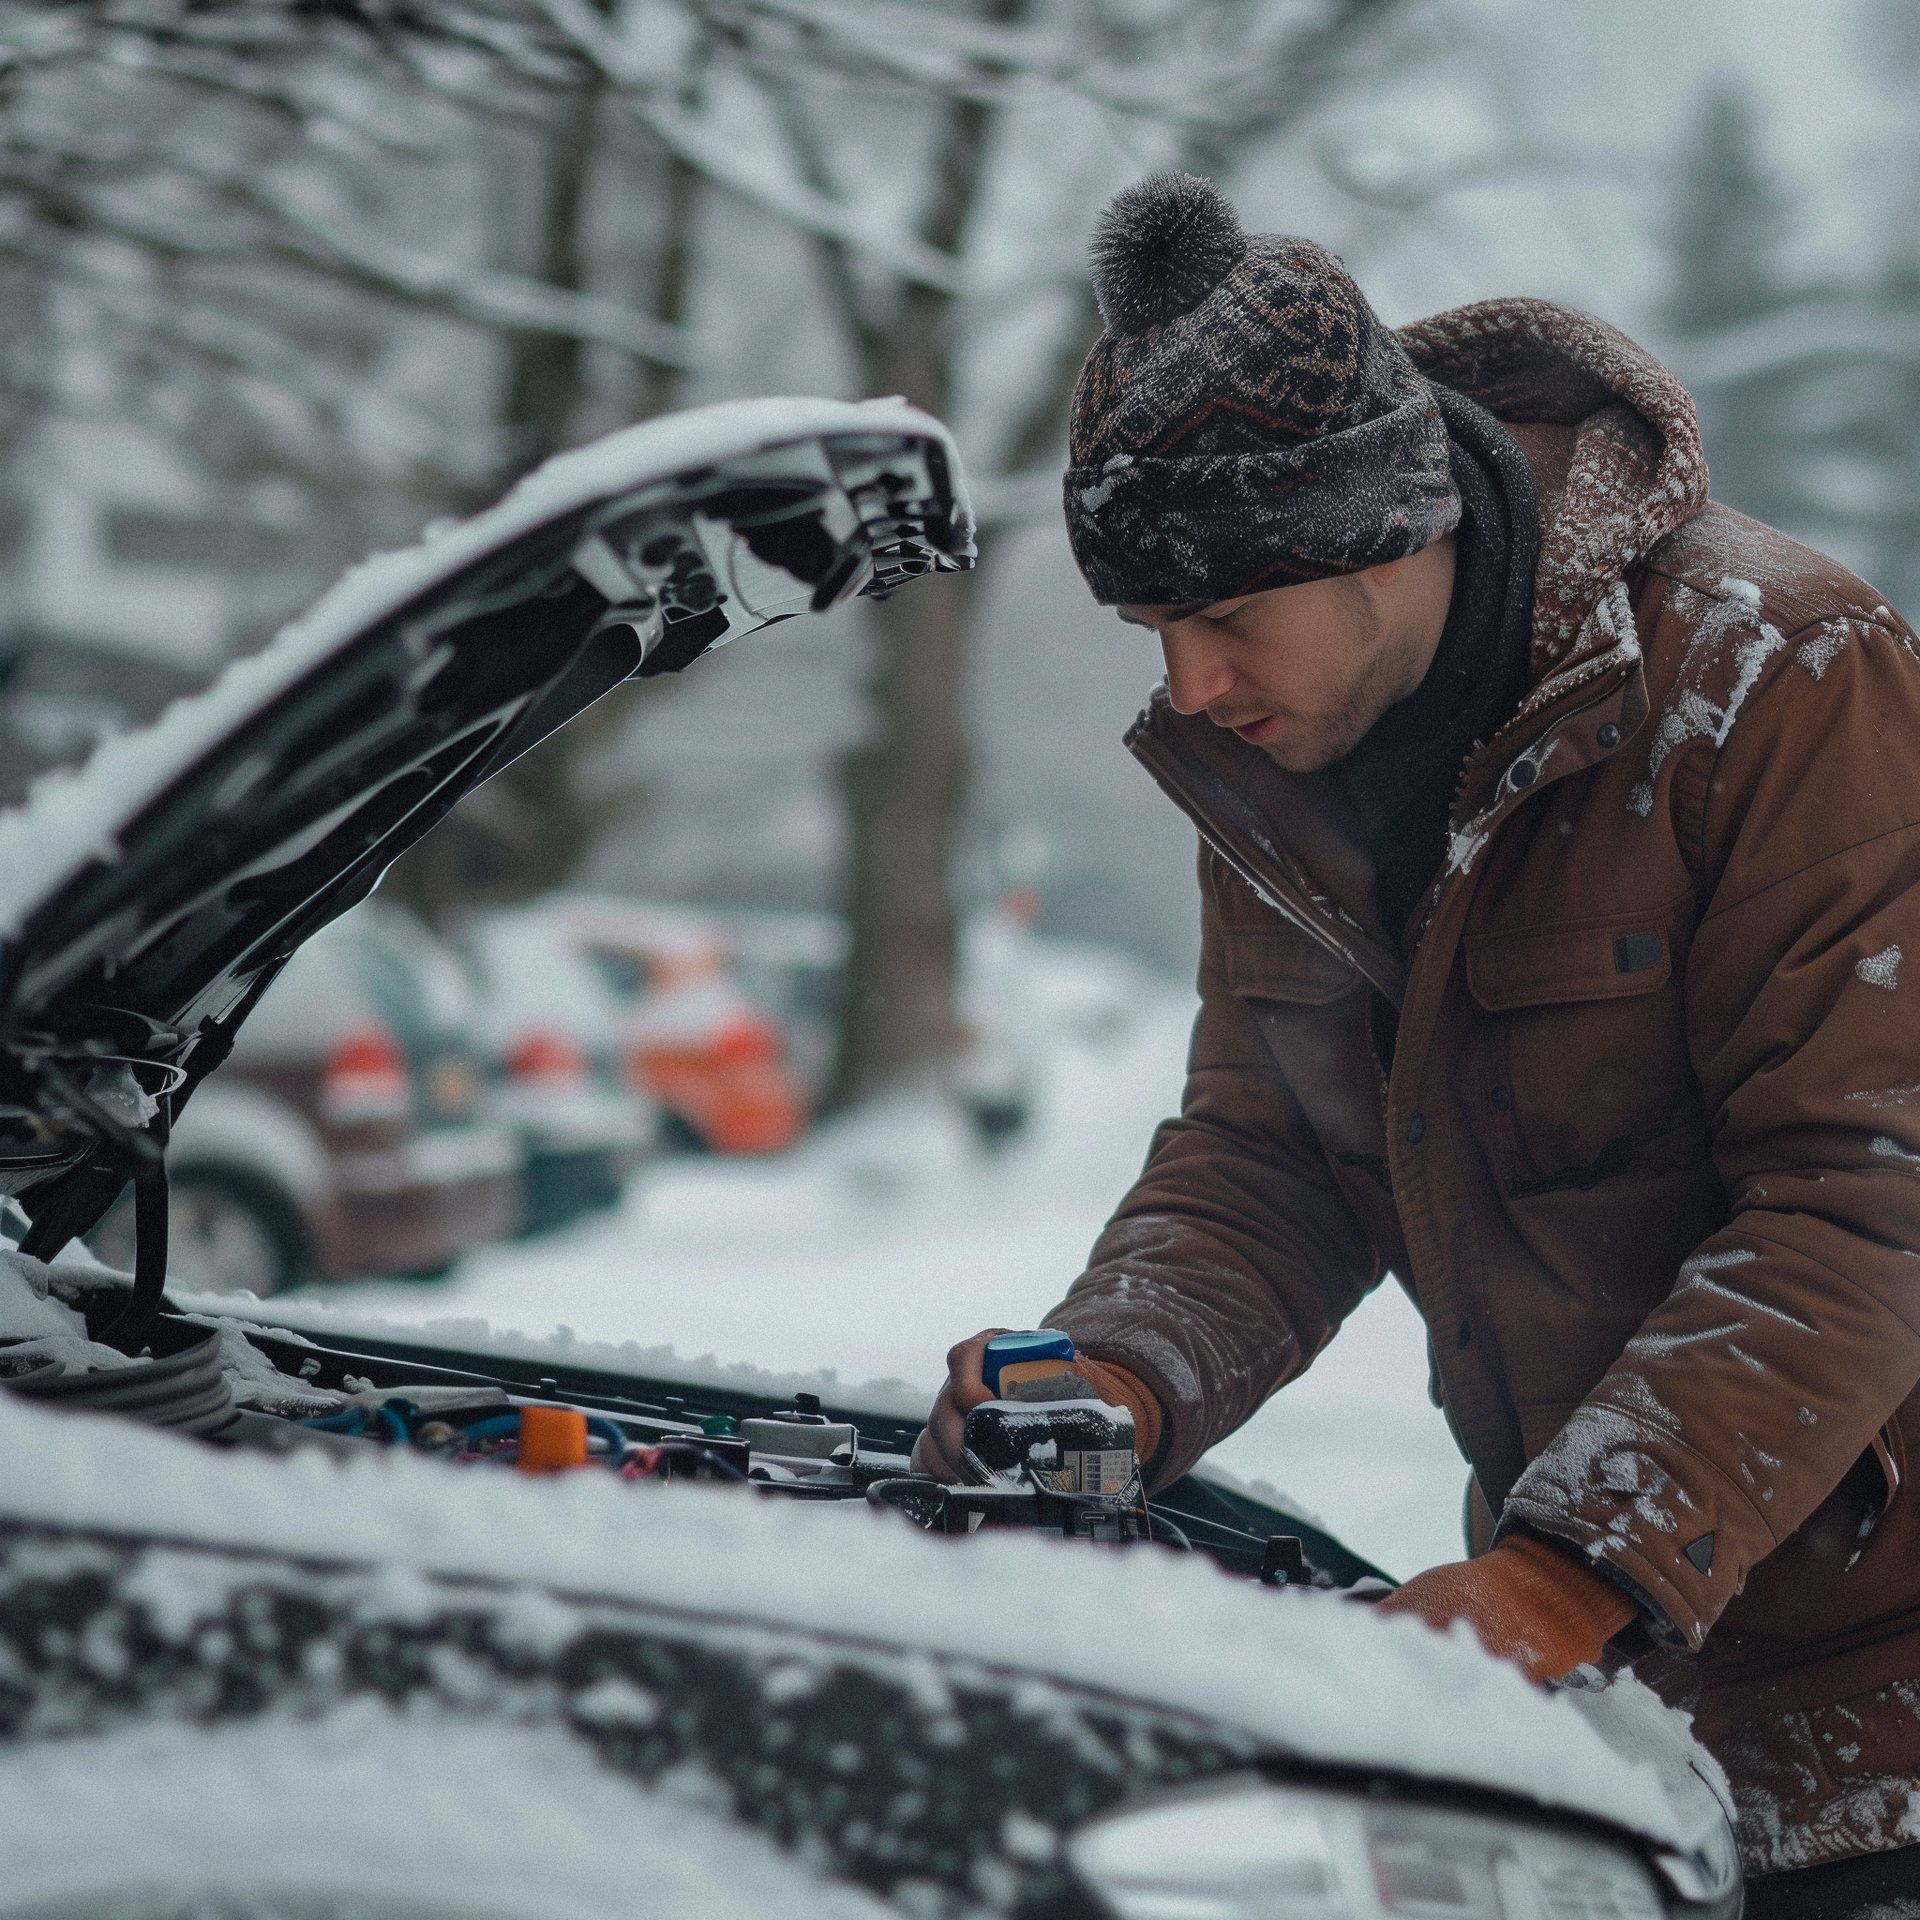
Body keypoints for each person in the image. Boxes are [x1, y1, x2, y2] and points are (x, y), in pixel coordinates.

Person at [912, 173, 1920, 1912]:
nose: (1195, 682)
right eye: (1157, 633)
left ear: (1383, 530)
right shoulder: (1278, 772)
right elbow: (1274, 1153)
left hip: (1878, 1709)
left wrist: (1575, 1560)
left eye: (1226, 618)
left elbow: (1871, 1190)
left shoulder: (1776, 677)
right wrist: (1121, 1366)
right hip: (1605, 1701)